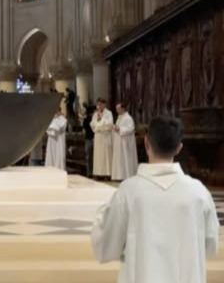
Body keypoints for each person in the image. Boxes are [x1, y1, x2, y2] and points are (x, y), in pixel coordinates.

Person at [91, 116, 220, 283]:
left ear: (146, 143)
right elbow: (211, 247)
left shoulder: (129, 191)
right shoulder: (199, 192)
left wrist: (101, 216)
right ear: (179, 148)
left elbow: (106, 246)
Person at [111, 103, 138, 181]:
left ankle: (127, 175)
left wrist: (119, 129)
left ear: (123, 109)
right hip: (119, 142)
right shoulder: (119, 118)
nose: (117, 110)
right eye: (116, 109)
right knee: (119, 159)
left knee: (126, 159)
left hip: (126, 143)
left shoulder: (128, 118)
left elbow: (131, 128)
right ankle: (119, 176)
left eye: (118, 108)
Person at [90, 98, 113, 179]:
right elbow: (92, 125)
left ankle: (107, 174)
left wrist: (100, 121)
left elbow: (109, 124)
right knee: (98, 156)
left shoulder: (109, 113)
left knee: (106, 155)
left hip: (105, 136)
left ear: (104, 104)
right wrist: (98, 126)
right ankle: (98, 173)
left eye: (100, 104)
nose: (99, 106)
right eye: (98, 104)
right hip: (98, 137)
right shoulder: (95, 114)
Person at [82, 105, 95, 177]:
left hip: (93, 139)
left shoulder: (97, 119)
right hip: (89, 138)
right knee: (88, 156)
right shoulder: (87, 119)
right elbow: (85, 128)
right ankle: (89, 172)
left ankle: (92, 172)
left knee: (93, 156)